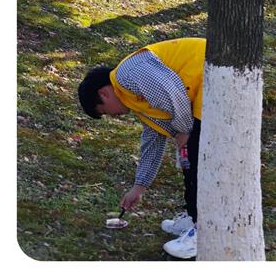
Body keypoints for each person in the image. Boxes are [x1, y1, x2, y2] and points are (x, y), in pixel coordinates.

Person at [77, 37, 206, 258]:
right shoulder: (135, 101)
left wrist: (184, 131)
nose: (114, 116)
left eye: (106, 111)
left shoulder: (129, 74)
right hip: (199, 92)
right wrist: (139, 187)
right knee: (186, 159)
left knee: (194, 158)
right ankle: (193, 216)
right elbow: (153, 140)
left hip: (212, 75)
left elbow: (172, 92)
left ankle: (203, 232)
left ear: (104, 94)